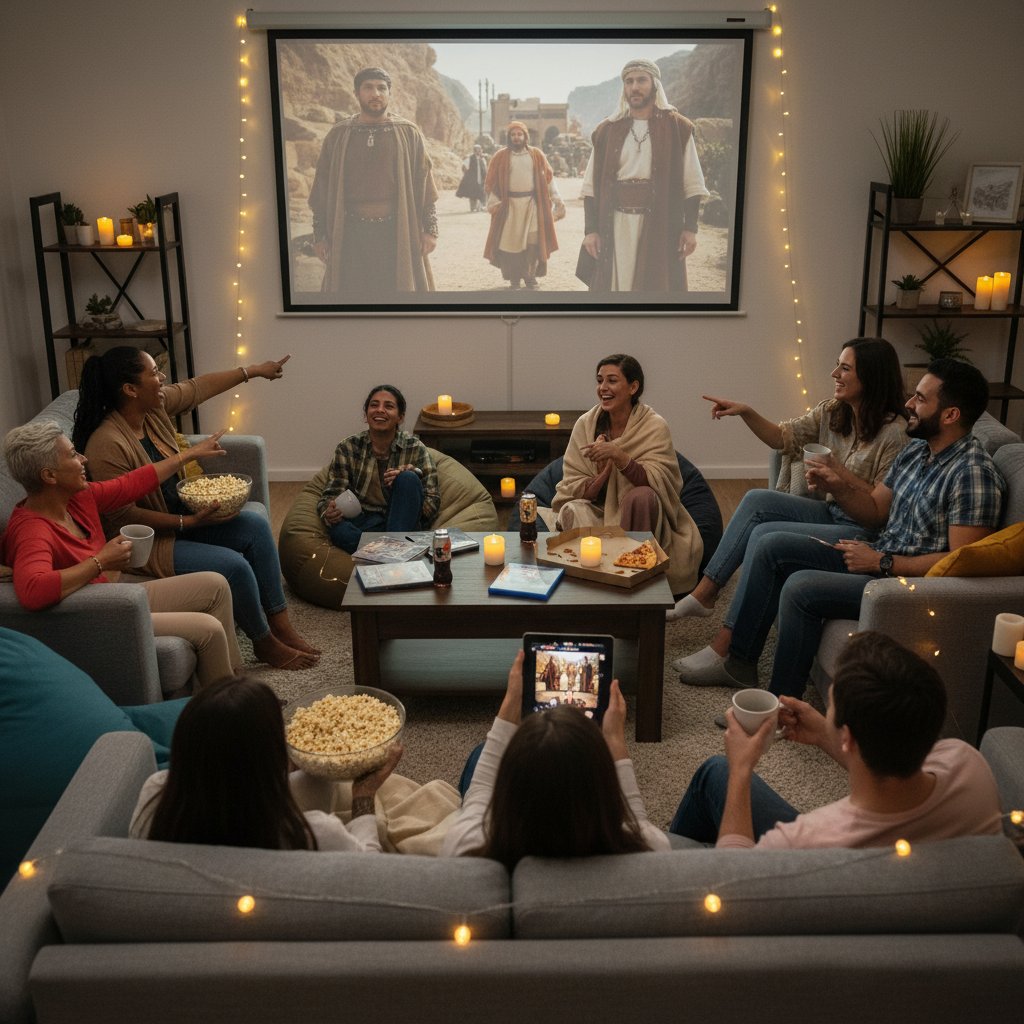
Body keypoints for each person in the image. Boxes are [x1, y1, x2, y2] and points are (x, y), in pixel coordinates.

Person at [676, 359, 1005, 698]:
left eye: (920, 399)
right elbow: (876, 510)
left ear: (950, 415)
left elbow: (960, 563)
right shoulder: (919, 451)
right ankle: (739, 663)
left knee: (800, 587)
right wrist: (838, 484)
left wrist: (883, 562)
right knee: (771, 545)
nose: (909, 404)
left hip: (902, 584)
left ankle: (782, 704)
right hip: (877, 547)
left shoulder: (972, 474)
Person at [72, 346, 318, 671]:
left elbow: (196, 387)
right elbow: (123, 517)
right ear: (130, 390)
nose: (161, 379)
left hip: (188, 519)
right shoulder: (106, 444)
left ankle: (281, 624)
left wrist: (254, 370)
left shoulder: (152, 410)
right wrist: (186, 522)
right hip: (150, 542)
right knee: (233, 566)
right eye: (153, 374)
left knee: (257, 528)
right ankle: (265, 643)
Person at [670, 632, 1003, 848]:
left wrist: (742, 769)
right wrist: (827, 736)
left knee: (721, 773)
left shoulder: (804, 844)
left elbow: (734, 882)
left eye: (830, 705)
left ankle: (670, 862)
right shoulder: (970, 767)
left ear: (851, 738)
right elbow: (891, 764)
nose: (826, 711)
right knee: (716, 771)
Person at [667, 338, 909, 625]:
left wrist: (837, 475)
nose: (835, 375)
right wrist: (745, 411)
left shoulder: (895, 435)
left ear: (870, 377)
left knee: (765, 535)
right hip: (832, 512)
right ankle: (704, 594)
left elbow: (877, 510)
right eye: (837, 367)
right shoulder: (833, 411)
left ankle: (730, 632)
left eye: (845, 369)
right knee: (756, 499)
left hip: (862, 531)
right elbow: (783, 437)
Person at [1, 420, 241, 689]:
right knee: (207, 628)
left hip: (117, 594)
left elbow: (131, 484)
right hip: (104, 613)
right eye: (72, 455)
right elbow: (33, 590)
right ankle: (228, 712)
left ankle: (235, 687)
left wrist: (189, 454)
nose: (83, 459)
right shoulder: (32, 530)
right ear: (49, 476)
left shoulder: (78, 497)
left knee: (216, 585)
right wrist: (100, 561)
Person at [440, 651, 669, 867]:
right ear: (604, 785)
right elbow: (638, 822)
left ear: (510, 792)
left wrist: (510, 702)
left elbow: (480, 794)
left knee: (482, 752)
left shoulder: (465, 846)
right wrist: (615, 740)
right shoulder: (650, 850)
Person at [131, 676, 401, 851]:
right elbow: (369, 869)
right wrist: (364, 795)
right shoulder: (310, 833)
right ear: (267, 763)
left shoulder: (155, 796)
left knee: (314, 783)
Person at [551, 353, 703, 595]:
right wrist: (603, 473)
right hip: (599, 511)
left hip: (641, 514)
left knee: (640, 496)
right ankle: (589, 582)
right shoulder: (586, 424)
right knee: (571, 510)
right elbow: (572, 485)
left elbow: (659, 482)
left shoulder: (654, 425)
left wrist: (619, 456)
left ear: (633, 387)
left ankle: (633, 576)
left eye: (612, 381)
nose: (603, 388)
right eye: (599, 380)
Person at [308, 66, 439, 298]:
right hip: (350, 231)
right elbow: (322, 188)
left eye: (381, 88)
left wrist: (430, 231)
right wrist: (320, 237)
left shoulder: (408, 133)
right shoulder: (339, 134)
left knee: (397, 296)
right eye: (368, 87)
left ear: (390, 93)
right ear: (357, 93)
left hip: (396, 230)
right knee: (351, 297)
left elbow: (424, 183)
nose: (375, 93)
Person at [581, 58, 709, 292]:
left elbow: (693, 183)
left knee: (655, 289)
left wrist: (690, 228)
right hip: (615, 224)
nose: (635, 87)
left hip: (659, 224)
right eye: (629, 81)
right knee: (613, 290)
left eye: (641, 80)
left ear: (655, 85)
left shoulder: (677, 127)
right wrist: (590, 231)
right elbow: (590, 187)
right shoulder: (607, 130)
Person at [318, 384, 440, 553]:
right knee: (339, 531)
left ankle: (382, 549)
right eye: (374, 405)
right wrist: (329, 512)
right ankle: (396, 550)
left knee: (408, 478)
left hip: (403, 518)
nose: (380, 410)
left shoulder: (415, 447)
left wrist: (409, 480)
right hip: (364, 522)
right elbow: (331, 494)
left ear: (400, 417)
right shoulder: (348, 447)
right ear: (366, 414)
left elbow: (432, 502)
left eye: (388, 406)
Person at [483, 121, 564, 289]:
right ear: (509, 137)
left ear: (525, 136)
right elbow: (493, 182)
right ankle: (514, 279)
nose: (516, 137)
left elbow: (548, 179)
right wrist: (493, 203)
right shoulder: (500, 156)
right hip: (510, 206)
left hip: (532, 205)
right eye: (513, 135)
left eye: (520, 134)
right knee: (511, 244)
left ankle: (530, 276)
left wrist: (557, 198)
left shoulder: (536, 154)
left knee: (533, 241)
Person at [456, 144, 488, 212]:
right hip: (473, 179)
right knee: (472, 194)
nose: (478, 152)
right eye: (477, 151)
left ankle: (482, 206)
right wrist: (467, 175)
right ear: (474, 151)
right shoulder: (470, 158)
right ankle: (473, 207)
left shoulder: (483, 159)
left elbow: (485, 168)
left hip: (481, 179)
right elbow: (464, 166)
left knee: (482, 192)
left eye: (480, 150)